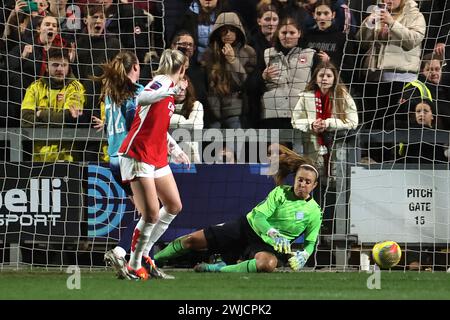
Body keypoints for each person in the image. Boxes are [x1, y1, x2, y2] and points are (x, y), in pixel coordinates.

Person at [92, 50, 190, 280]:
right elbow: (141, 108)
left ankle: (140, 255)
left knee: (168, 207)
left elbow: (152, 125)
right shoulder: (152, 87)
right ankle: (127, 256)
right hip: (134, 154)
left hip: (135, 155)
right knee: (149, 213)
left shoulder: (112, 93)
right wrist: (170, 91)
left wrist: (175, 150)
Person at [153, 148, 322, 273]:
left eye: (308, 182)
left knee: (268, 264)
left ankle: (217, 269)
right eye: (300, 180)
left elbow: (311, 241)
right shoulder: (280, 193)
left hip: (268, 246)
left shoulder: (314, 211)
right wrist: (273, 233)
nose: (302, 184)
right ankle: (153, 259)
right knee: (191, 240)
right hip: (246, 228)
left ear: (314, 185)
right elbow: (258, 218)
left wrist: (305, 255)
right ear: (295, 179)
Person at [356, 0, 426, 129]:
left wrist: (392, 23)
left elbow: (413, 40)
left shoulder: (415, 15)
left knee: (393, 126)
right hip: (374, 79)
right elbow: (361, 42)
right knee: (373, 126)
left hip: (402, 80)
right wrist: (369, 22)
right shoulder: (378, 13)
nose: (388, 0)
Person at [291, 62, 358, 172]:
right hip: (312, 145)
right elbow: (295, 121)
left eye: (329, 76)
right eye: (321, 75)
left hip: (338, 145)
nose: (325, 79)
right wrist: (312, 124)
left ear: (334, 78)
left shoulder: (344, 96)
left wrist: (328, 124)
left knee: (336, 178)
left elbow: (353, 122)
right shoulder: (305, 96)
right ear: (316, 78)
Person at [20, 47, 84, 161]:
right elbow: (25, 120)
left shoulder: (76, 87)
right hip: (38, 158)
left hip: (68, 157)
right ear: (47, 68)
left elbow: (70, 119)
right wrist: (58, 121)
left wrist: (41, 115)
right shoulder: (35, 87)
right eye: (55, 65)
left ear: (68, 67)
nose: (60, 69)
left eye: (64, 65)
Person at [260, 16, 318, 129]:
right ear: (278, 33)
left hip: (301, 115)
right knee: (274, 147)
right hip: (273, 115)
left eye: (292, 32)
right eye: (284, 32)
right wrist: (263, 76)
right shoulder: (267, 54)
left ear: (299, 33)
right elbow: (253, 84)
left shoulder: (311, 55)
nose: (287, 36)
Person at [202, 11, 256, 129]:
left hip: (237, 111)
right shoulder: (209, 54)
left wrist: (232, 61)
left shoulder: (248, 52)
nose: (228, 34)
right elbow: (206, 85)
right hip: (213, 112)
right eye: (224, 30)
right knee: (214, 146)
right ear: (217, 32)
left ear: (238, 31)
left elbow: (245, 83)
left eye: (232, 30)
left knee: (235, 145)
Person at [170, 75, 204, 163]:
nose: (181, 91)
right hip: (169, 153)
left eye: (183, 88)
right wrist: (184, 122)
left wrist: (178, 121)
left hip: (190, 153)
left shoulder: (196, 104)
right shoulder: (165, 105)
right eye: (178, 87)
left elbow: (195, 126)